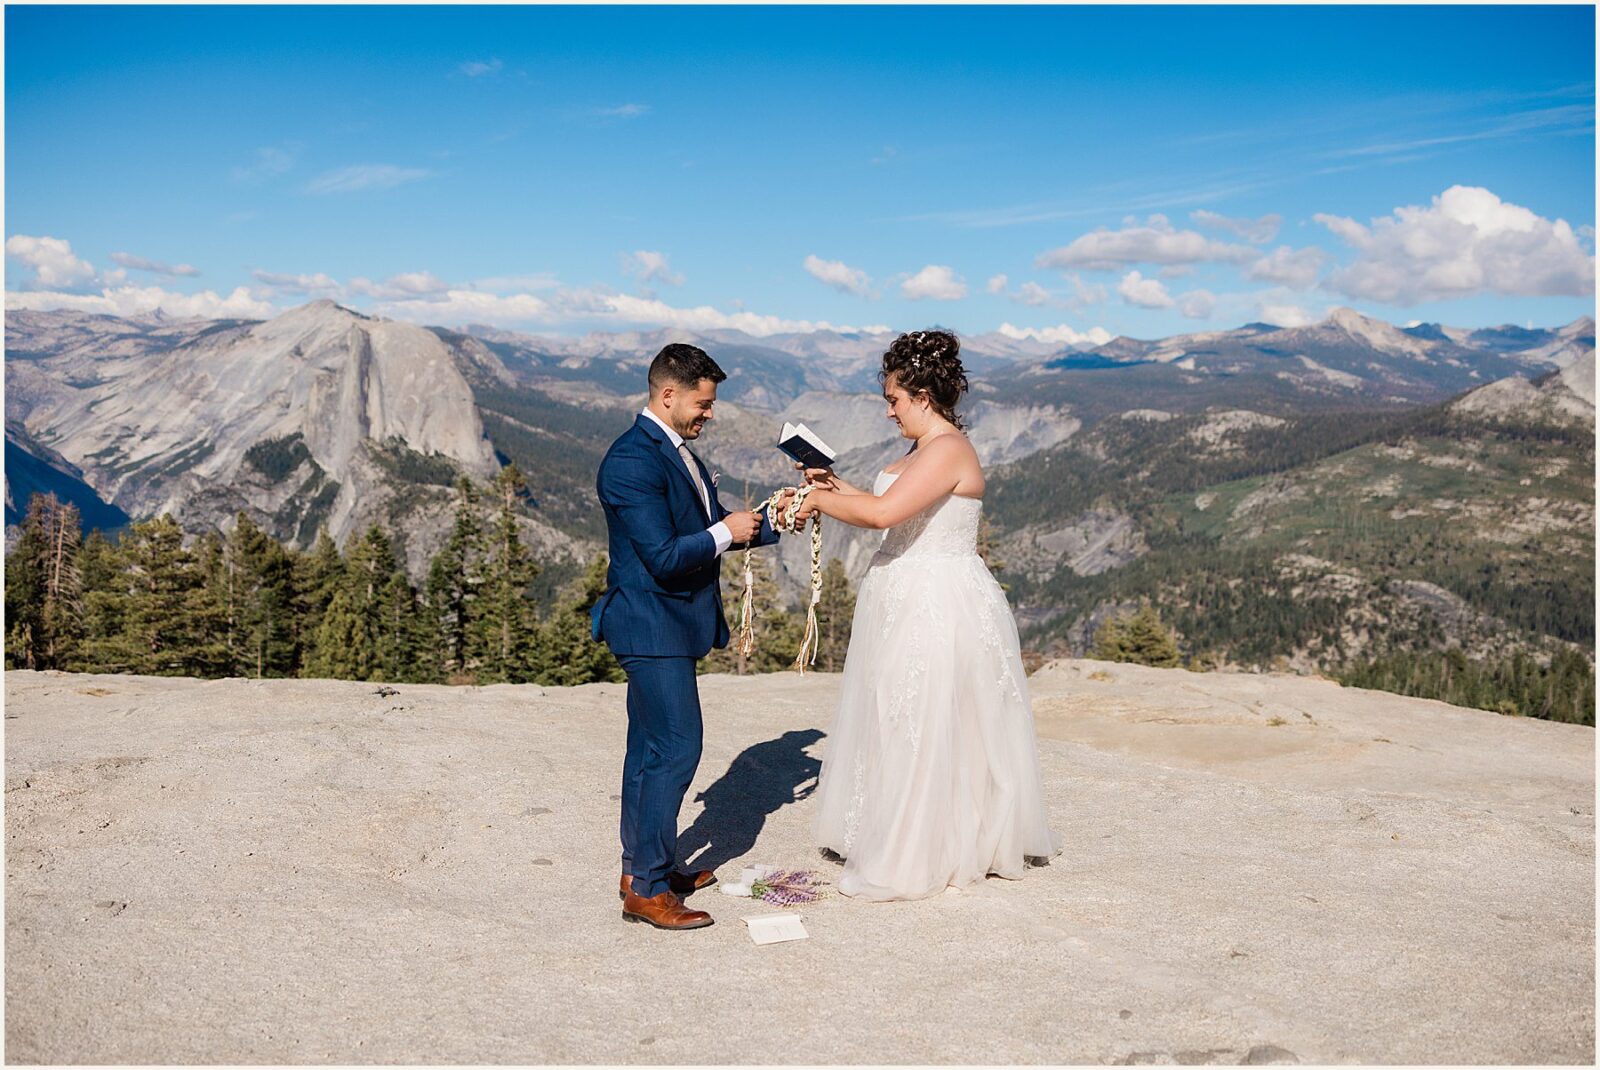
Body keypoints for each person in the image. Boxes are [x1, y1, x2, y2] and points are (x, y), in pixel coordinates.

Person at [796, 329, 1057, 900]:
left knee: (924, 715)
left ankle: (922, 844)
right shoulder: (925, 451)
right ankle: (892, 824)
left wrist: (818, 501)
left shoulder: (949, 450)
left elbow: (885, 512)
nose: (889, 410)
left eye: (893, 398)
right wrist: (832, 485)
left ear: (921, 394)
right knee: (894, 712)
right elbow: (893, 505)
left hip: (936, 598)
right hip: (903, 592)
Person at [591, 342, 792, 930]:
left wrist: (776, 518)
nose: (709, 414)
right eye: (703, 404)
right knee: (678, 749)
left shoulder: (674, 450)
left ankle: (641, 867)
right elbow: (662, 555)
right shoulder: (632, 460)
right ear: (668, 394)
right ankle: (648, 889)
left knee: (647, 751)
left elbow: (710, 521)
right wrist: (727, 532)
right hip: (650, 624)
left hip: (668, 623)